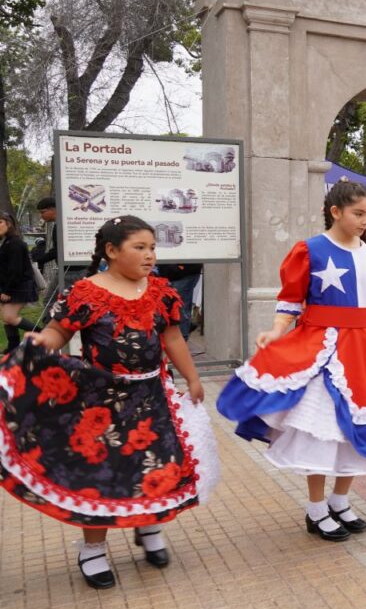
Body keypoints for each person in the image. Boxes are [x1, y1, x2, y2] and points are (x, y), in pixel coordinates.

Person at [0, 215, 216, 589]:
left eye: (152, 248)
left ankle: (149, 528)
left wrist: (192, 378)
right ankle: (93, 550)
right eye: (140, 247)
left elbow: (173, 338)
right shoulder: (85, 293)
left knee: (155, 467)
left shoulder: (161, 291)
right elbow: (57, 331)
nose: (150, 255)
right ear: (112, 251)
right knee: (102, 475)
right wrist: (42, 343)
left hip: (153, 399)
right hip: (100, 405)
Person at [216, 181, 366, 542]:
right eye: (358, 213)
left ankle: (340, 500)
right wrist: (276, 332)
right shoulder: (310, 250)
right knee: (323, 433)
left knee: (357, 430)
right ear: (336, 212)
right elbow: (290, 302)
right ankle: (316, 509)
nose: (365, 220)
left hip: (362, 354)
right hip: (318, 349)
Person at [0, 212, 39, 351]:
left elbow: (15, 269)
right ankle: (13, 346)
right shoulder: (6, 242)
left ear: (9, 224)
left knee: (10, 317)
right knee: (6, 317)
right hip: (9, 285)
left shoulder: (14, 243)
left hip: (18, 286)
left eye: (0, 222)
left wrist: (8, 291)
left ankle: (42, 333)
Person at [154, 263, 203, 341]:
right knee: (173, 308)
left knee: (179, 309)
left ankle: (183, 337)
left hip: (182, 271)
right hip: (170, 270)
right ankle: (183, 332)